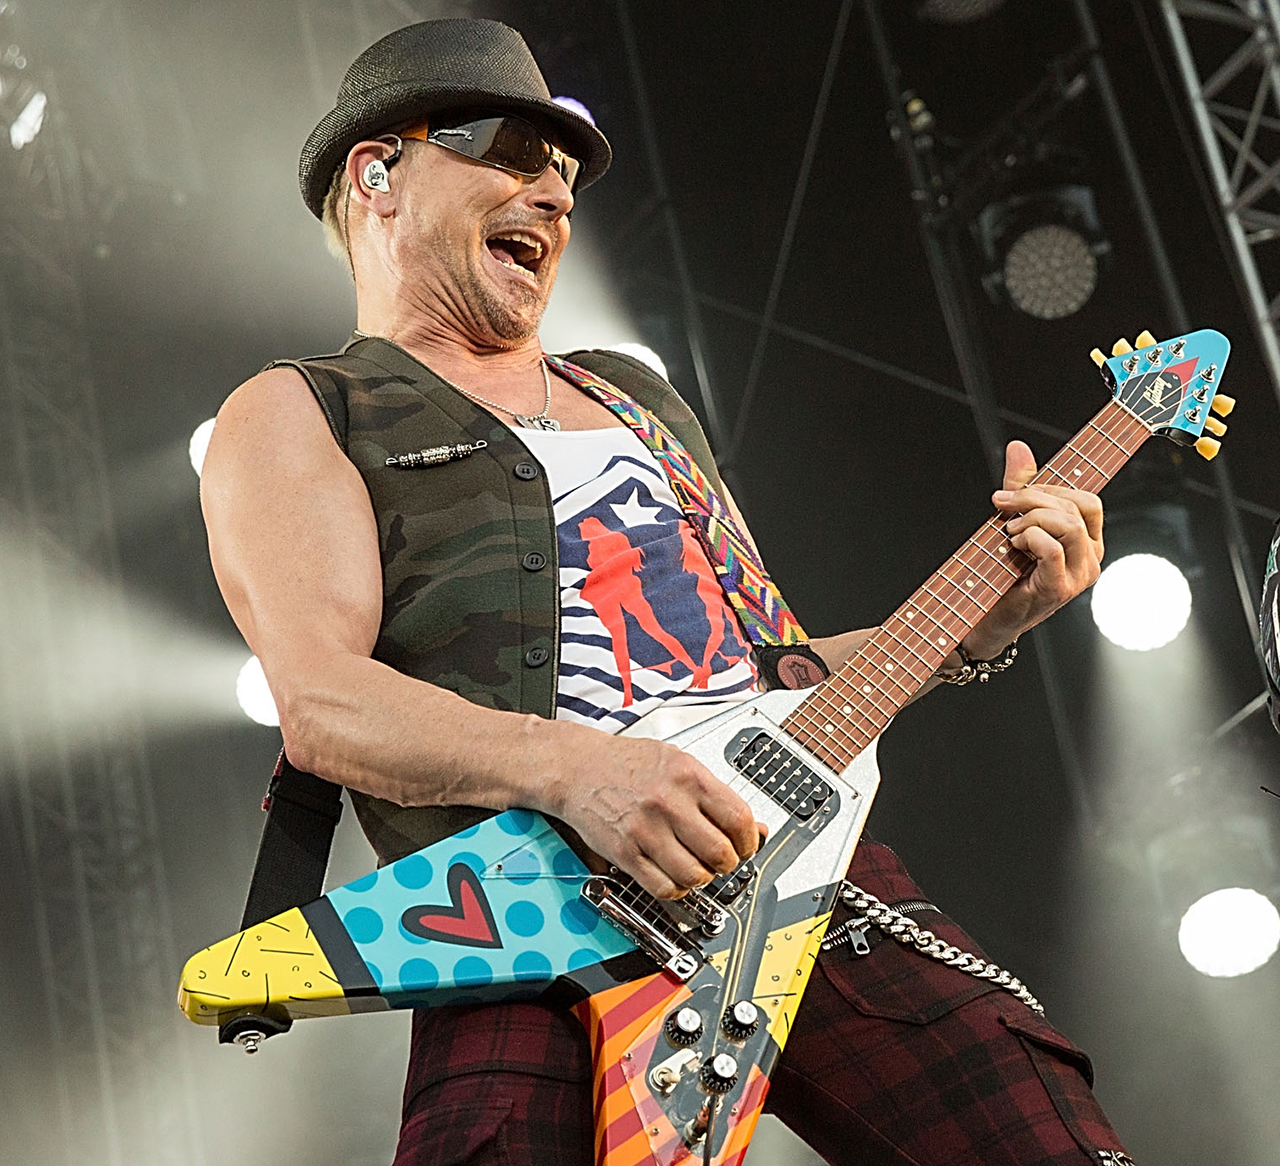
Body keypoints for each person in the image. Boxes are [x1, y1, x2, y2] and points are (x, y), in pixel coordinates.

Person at [200, 18, 1135, 1166]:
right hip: (523, 935)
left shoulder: (635, 396)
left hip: (790, 881)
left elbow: (775, 680)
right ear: (376, 172)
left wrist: (978, 625)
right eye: (509, 150)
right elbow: (324, 703)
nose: (553, 193)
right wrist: (580, 772)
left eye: (562, 168)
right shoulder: (304, 410)